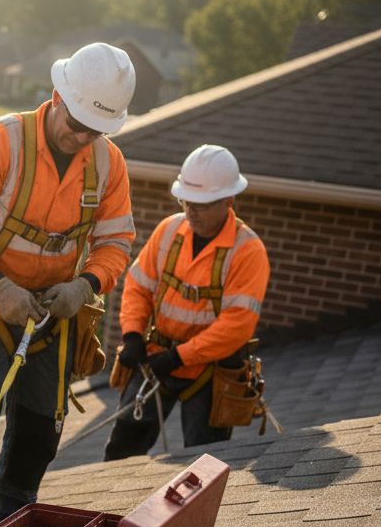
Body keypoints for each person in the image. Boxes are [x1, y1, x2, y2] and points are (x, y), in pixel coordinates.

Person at [0, 42, 138, 527]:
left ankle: (14, 525)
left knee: (41, 429)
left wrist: (85, 286)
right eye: (77, 122)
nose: (83, 136)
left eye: (96, 129)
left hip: (54, 315)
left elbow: (116, 243)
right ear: (56, 95)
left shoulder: (109, 165)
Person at [103, 145, 270, 459]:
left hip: (209, 372)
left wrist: (180, 357)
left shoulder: (248, 251)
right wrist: (133, 335)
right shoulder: (169, 231)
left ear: (228, 201)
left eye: (202, 205)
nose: (191, 212)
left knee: (203, 464)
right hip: (155, 359)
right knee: (121, 451)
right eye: (186, 202)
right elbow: (138, 286)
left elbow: (237, 326)